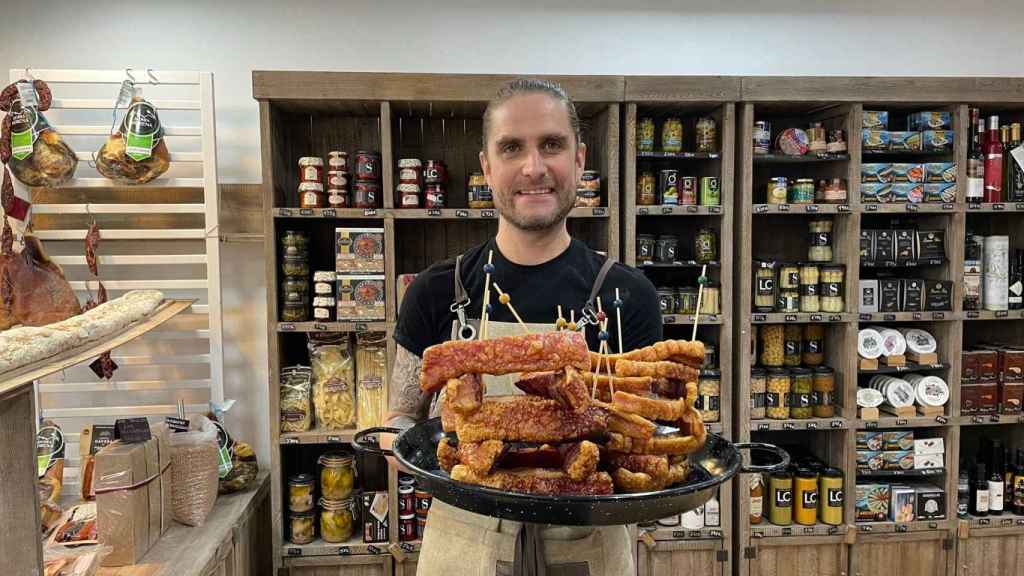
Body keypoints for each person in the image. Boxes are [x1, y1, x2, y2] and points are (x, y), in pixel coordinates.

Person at [388, 78, 662, 576]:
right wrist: (403, 449)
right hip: (462, 546)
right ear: (487, 167)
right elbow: (400, 420)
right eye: (512, 147)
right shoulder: (434, 292)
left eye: (551, 145)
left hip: (590, 544)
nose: (533, 167)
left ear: (579, 160)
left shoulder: (627, 296)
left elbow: (642, 440)